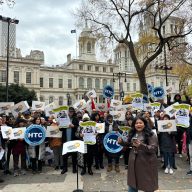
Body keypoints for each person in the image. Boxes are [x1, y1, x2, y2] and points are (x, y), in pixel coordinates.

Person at [119, 116, 158, 192]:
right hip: (133, 163)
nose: (138, 125)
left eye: (140, 123)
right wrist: (122, 143)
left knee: (148, 185)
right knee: (132, 183)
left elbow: (154, 148)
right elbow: (131, 144)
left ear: (144, 124)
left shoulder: (151, 134)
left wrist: (141, 145)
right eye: (136, 123)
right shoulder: (132, 133)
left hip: (146, 163)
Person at [60, 107, 79, 174]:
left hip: (73, 139)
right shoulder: (64, 118)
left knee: (74, 155)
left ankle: (74, 168)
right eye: (70, 112)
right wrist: (62, 126)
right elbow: (61, 129)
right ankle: (65, 168)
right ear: (68, 112)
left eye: (72, 112)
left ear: (73, 112)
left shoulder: (75, 119)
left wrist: (73, 126)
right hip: (65, 139)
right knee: (65, 155)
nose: (71, 113)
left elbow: (78, 127)